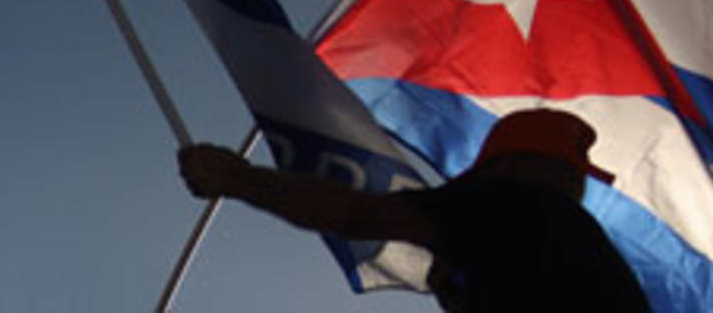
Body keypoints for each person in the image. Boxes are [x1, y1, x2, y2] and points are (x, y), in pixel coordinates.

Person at [178, 109, 649, 312]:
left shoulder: (519, 205)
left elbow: (354, 216)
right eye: (568, 169)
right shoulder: (558, 230)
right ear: (516, 163)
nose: (576, 184)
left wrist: (243, 180)